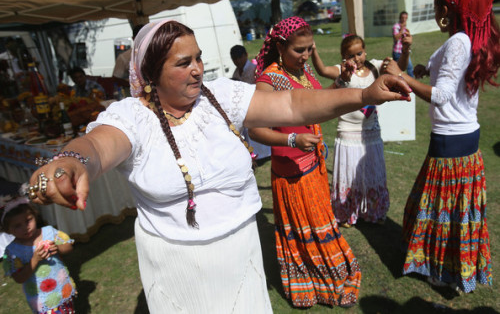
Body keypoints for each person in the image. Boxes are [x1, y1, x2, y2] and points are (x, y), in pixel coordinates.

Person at [26, 19, 410, 313]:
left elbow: (292, 105)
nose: (197, 68)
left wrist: (362, 94)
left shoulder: (221, 96)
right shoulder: (133, 117)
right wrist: (71, 161)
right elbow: (96, 144)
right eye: (183, 62)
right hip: (174, 266)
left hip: (240, 253)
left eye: (198, 58)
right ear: (152, 73)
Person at [384, 0, 499, 293]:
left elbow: (443, 96)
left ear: (447, 11)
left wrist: (402, 75)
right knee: (448, 213)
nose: (434, 15)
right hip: (462, 141)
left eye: (436, 10)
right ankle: (448, 268)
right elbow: (451, 80)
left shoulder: (459, 42)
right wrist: (417, 64)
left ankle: (442, 271)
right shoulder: (465, 39)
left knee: (439, 214)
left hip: (451, 143)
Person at [250, 17, 364, 308]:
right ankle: (309, 282)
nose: (305, 56)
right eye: (299, 50)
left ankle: (330, 276)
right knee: (306, 229)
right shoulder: (268, 80)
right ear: (279, 46)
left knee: (320, 224)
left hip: (313, 165)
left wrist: (340, 82)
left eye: (309, 49)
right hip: (291, 172)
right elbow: (255, 128)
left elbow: (318, 102)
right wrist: (291, 140)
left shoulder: (302, 70)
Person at [310, 34, 411, 227]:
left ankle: (373, 210)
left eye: (359, 53)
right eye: (351, 55)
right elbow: (322, 70)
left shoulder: (375, 67)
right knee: (349, 175)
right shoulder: (343, 71)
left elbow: (400, 68)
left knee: (373, 173)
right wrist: (314, 50)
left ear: (365, 51)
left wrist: (405, 50)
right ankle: (348, 212)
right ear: (343, 57)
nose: (356, 58)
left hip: (371, 133)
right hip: (348, 132)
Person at [1, 194, 76, 314]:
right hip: (42, 300)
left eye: (28, 220)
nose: (26, 227)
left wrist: (57, 247)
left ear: (34, 216)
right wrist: (35, 259)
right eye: (17, 226)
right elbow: (19, 278)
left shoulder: (48, 232)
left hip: (62, 290)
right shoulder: (12, 251)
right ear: (7, 229)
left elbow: (68, 248)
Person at [230, 44, 271, 162]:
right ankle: (255, 154)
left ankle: (265, 154)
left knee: (259, 129)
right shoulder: (237, 72)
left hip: (257, 104)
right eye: (234, 59)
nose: (237, 61)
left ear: (245, 55)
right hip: (245, 107)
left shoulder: (254, 69)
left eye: (239, 57)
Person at [392, 11, 414, 77]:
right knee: (398, 70)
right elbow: (396, 38)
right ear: (400, 18)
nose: (404, 19)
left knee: (410, 68)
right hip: (397, 52)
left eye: (406, 18)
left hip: (405, 50)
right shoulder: (396, 26)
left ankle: (412, 83)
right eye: (403, 18)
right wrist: (401, 30)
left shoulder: (406, 28)